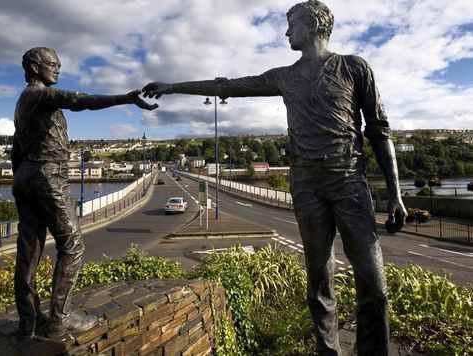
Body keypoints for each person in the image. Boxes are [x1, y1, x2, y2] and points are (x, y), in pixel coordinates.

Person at [142, 1, 406, 355]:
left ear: (312, 24)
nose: (286, 33)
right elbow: (229, 86)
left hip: (349, 181)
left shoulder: (354, 68)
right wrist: (173, 86)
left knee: (374, 284)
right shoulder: (284, 76)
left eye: (290, 25)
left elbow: (379, 131)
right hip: (306, 183)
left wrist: (396, 195)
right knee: (318, 281)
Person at [12, 46, 157, 341]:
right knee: (73, 246)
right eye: (53, 63)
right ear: (35, 67)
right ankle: (59, 319)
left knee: (29, 251)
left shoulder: (23, 101)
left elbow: (18, 146)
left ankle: (28, 322)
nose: (58, 68)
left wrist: (20, 179)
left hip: (25, 175)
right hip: (47, 175)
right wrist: (125, 98)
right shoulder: (41, 94)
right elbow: (81, 101)